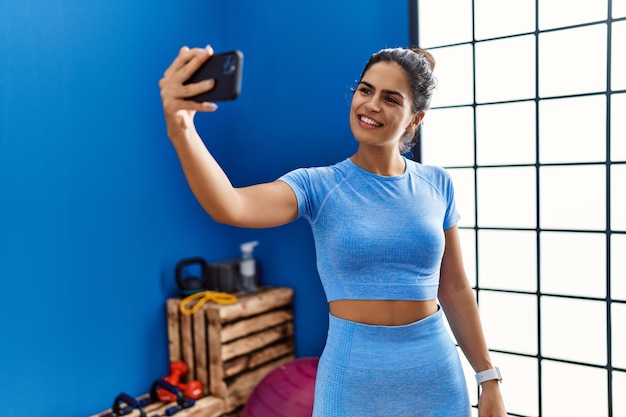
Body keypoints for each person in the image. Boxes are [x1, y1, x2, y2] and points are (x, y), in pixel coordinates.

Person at [159, 44, 507, 417]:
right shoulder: (318, 186)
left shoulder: (438, 184)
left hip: (434, 375)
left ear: (414, 119)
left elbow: (453, 288)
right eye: (365, 90)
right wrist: (181, 128)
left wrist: (489, 378)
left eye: (390, 98)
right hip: (353, 381)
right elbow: (229, 205)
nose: (371, 105)